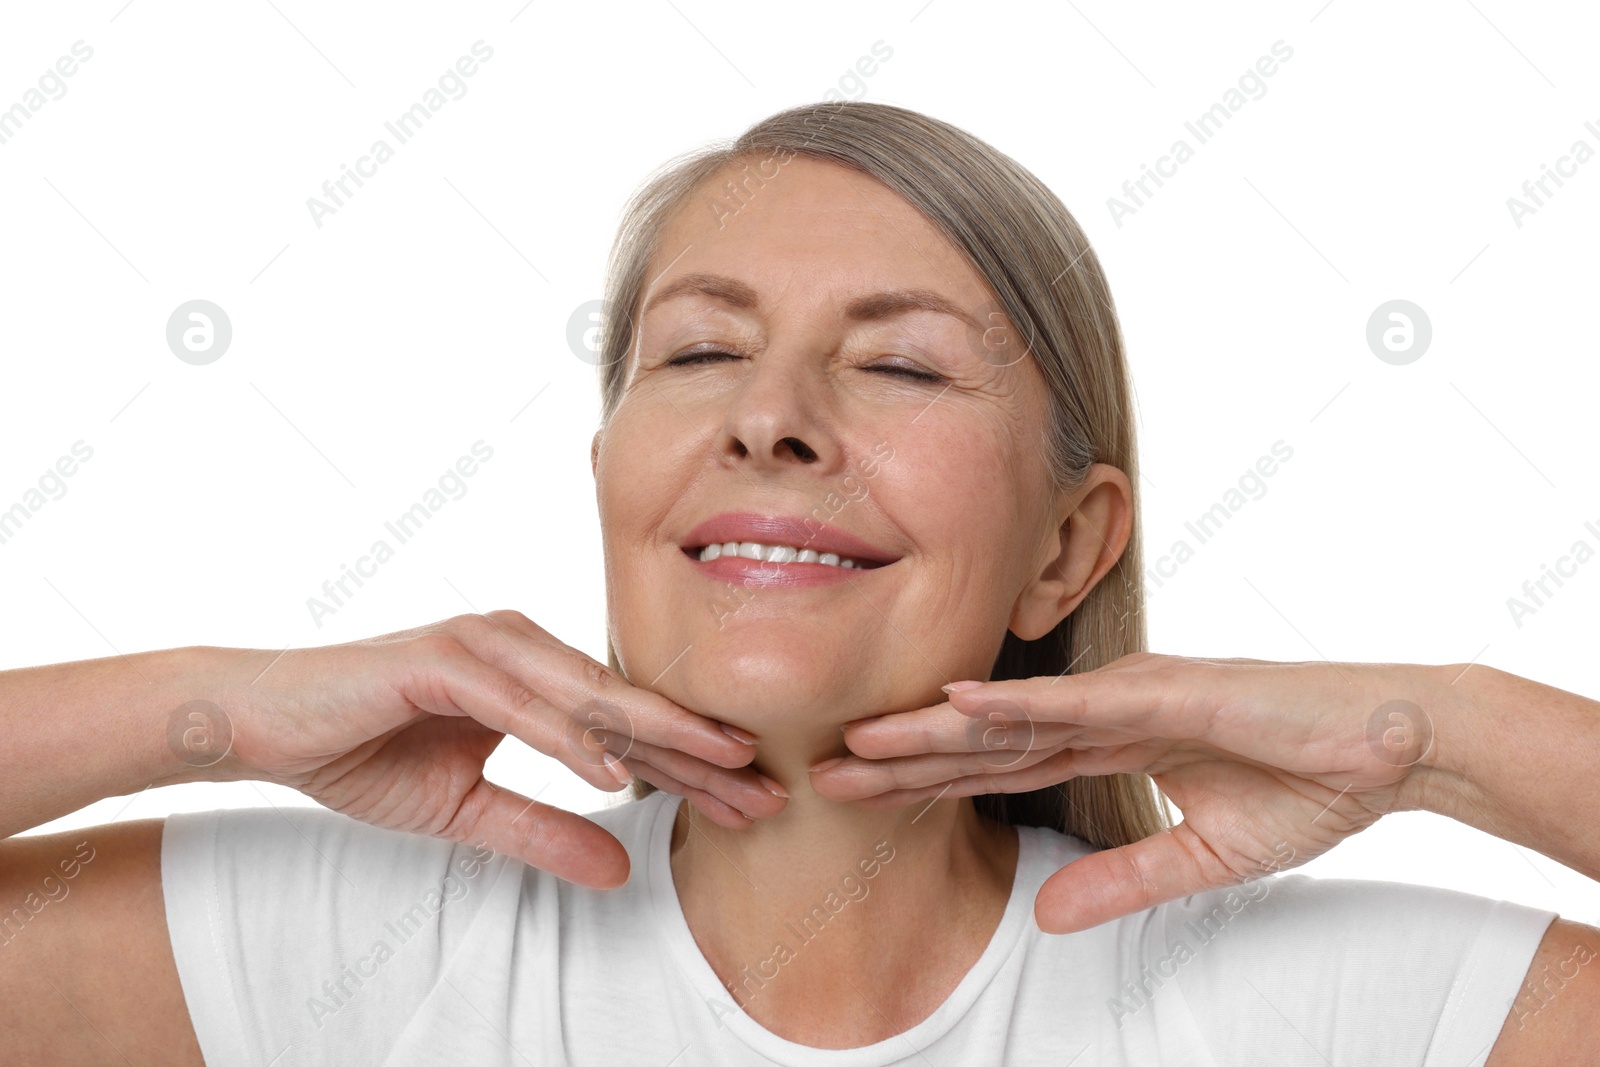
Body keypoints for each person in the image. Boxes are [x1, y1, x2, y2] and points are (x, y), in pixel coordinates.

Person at [2, 101, 1596, 1065]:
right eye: (698, 351)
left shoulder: (1304, 1003)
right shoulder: (367, 955)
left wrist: (1432, 737)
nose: (769, 417)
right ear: (614, 471)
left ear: (1067, 544)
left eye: (900, 364)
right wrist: (213, 709)